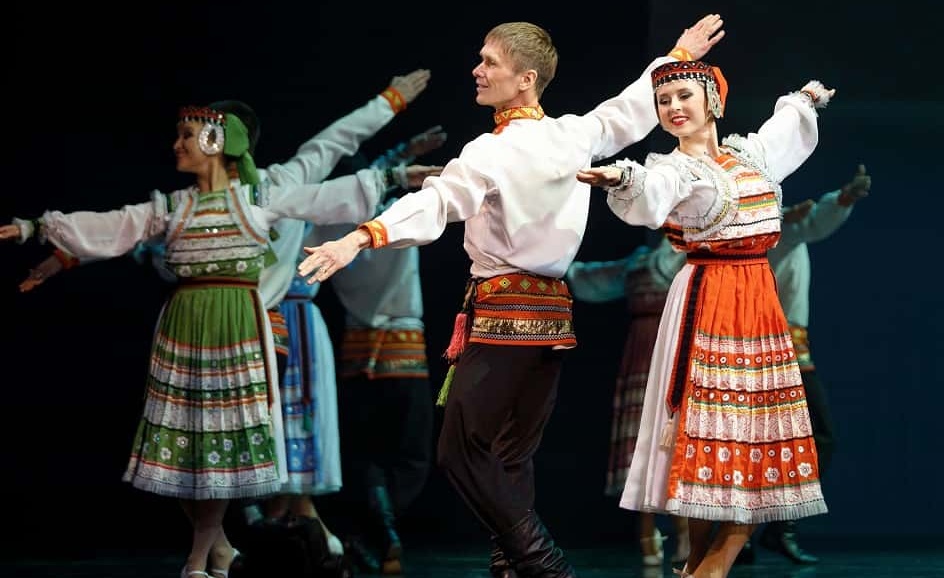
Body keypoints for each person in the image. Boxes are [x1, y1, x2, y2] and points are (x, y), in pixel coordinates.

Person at [295, 15, 726, 578]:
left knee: (460, 450)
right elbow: (631, 108)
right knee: (510, 454)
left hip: (503, 314)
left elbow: (437, 202)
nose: (477, 70)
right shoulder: (574, 135)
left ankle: (539, 561)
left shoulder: (489, 151)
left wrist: (360, 237)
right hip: (552, 319)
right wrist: (676, 55)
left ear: (525, 79)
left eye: (489, 61)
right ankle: (513, 566)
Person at [0, 100, 438, 578]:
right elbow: (122, 226)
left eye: (188, 135)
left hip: (245, 329)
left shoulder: (264, 193)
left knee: (231, 446)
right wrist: (43, 235)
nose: (176, 145)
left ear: (221, 141)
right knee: (180, 450)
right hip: (186, 331)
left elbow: (330, 176)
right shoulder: (177, 205)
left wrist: (396, 167)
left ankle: (226, 548)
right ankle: (227, 546)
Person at [575, 58, 834, 577]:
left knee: (758, 430)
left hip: (758, 301)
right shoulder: (675, 168)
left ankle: (711, 564)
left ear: (713, 100)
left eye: (684, 96)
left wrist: (805, 99)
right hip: (709, 297)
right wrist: (622, 177)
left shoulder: (750, 155)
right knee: (704, 427)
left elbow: (783, 131)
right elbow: (651, 190)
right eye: (663, 101)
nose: (673, 107)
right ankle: (701, 563)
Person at [310, 131, 448, 575]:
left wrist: (402, 153)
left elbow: (367, 180)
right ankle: (384, 529)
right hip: (403, 351)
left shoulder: (324, 228)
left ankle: (373, 532)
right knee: (412, 454)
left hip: (356, 351)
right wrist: (406, 156)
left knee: (364, 452)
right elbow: (384, 181)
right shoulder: (394, 215)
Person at [746, 164, 871, 565]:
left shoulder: (783, 231)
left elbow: (811, 221)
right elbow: (806, 223)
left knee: (802, 437)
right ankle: (755, 530)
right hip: (766, 349)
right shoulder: (766, 233)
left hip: (781, 349)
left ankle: (769, 527)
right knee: (780, 439)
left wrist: (841, 199)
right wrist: (838, 200)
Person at [565, 233, 690, 569]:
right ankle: (648, 533)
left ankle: (682, 533)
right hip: (641, 352)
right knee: (641, 443)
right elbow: (593, 278)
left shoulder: (685, 258)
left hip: (673, 350)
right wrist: (552, 263)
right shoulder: (639, 260)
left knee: (672, 439)